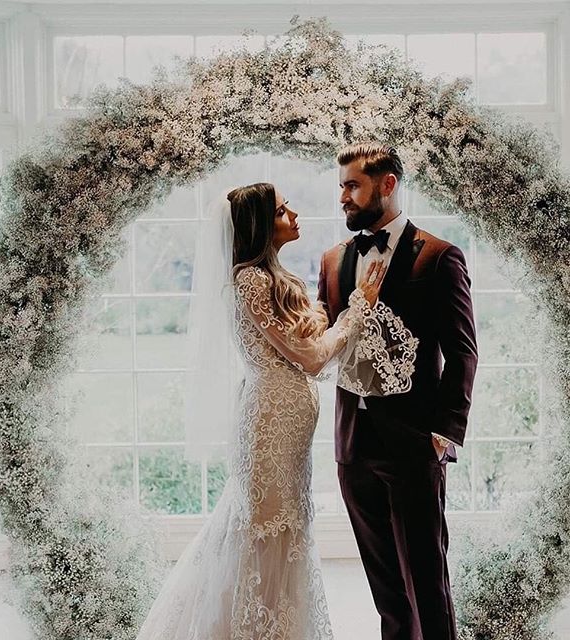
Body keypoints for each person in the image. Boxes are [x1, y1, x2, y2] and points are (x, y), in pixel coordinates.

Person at [136, 181, 417, 640]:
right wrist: (358, 308)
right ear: (263, 226)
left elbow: (305, 339)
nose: (294, 215)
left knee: (286, 526)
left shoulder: (274, 277)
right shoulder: (250, 280)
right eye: (284, 211)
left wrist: (335, 314)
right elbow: (309, 356)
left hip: (287, 427)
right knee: (268, 528)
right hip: (269, 425)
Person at [318, 143, 478, 640]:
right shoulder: (331, 261)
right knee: (386, 593)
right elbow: (326, 341)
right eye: (341, 185)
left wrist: (442, 433)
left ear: (386, 185)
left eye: (352, 185)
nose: (342, 196)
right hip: (353, 448)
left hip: (413, 446)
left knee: (428, 586)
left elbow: (463, 351)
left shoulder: (438, 257)